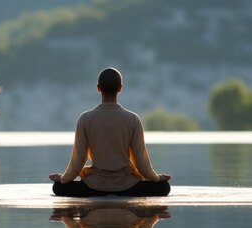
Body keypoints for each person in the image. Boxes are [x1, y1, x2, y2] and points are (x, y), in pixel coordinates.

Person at [49, 67, 171, 197]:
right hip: (127, 186)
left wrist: (63, 179)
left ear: (98, 88)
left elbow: (78, 162)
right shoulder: (133, 119)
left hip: (94, 186)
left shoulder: (85, 119)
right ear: (120, 88)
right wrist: (156, 178)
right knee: (164, 187)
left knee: (58, 188)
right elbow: (141, 164)